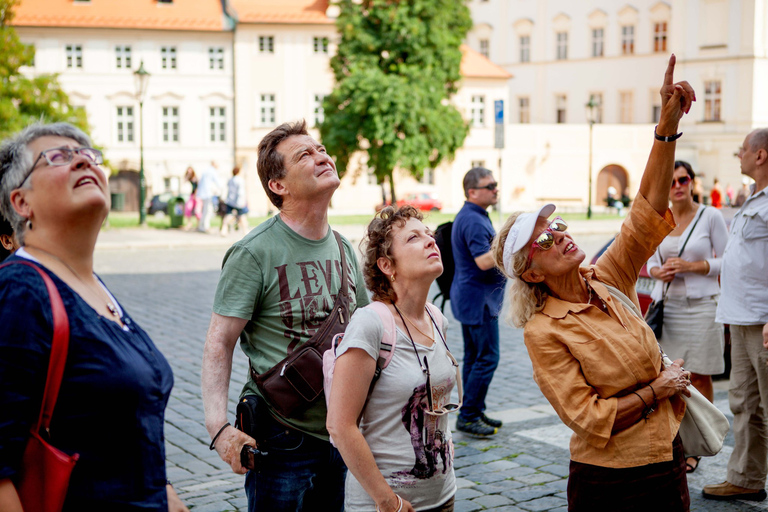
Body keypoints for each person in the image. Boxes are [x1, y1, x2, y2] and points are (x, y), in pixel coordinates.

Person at [490, 56, 695, 511]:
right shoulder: (544, 331)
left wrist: (666, 128)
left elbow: (645, 210)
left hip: (667, 457)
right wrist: (657, 390)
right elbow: (588, 418)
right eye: (543, 238)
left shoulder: (606, 280)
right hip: (611, 480)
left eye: (556, 224)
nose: (559, 234)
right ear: (532, 272)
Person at [0, 122, 186, 510]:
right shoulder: (21, 290)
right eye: (58, 156)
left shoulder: (91, 285)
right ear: (22, 203)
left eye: (87, 155)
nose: (82, 161)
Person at [201, 120, 370, 511]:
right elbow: (219, 341)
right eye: (305, 155)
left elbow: (365, 332)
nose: (322, 157)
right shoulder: (254, 252)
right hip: (280, 436)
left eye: (322, 150)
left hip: (340, 431)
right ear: (279, 186)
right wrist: (219, 428)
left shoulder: (344, 249)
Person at [327, 205, 457, 512]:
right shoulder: (371, 324)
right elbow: (339, 425)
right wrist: (387, 501)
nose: (431, 241)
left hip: (443, 497)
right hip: (387, 505)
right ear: (387, 265)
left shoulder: (437, 319)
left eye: (429, 234)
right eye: (414, 238)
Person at [646, 159, 728, 473]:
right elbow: (650, 263)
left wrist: (692, 267)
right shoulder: (659, 219)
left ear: (692, 182)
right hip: (669, 307)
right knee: (669, 377)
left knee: (701, 375)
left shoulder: (710, 216)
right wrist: (659, 271)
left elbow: (727, 260)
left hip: (704, 305)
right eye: (671, 181)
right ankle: (676, 440)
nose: (677, 186)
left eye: (683, 180)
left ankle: (700, 443)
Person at [702, 128, 768, 501]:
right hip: (742, 319)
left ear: (760, 156)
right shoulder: (754, 198)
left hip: (763, 319)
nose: (738, 156)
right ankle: (746, 477)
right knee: (744, 404)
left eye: (743, 150)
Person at [450, 167, 505, 436]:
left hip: (471, 298)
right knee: (487, 358)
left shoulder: (474, 215)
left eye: (495, 184)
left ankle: (473, 410)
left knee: (474, 357)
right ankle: (469, 415)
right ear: (472, 192)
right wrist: (512, 247)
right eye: (489, 185)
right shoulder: (472, 219)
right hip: (478, 301)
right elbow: (484, 261)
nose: (496, 189)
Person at [220, 166, 248, 236]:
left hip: (230, 200)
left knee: (228, 216)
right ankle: (245, 231)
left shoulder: (230, 180)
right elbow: (240, 192)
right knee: (242, 216)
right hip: (238, 202)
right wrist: (241, 202)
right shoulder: (240, 180)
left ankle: (224, 230)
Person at [196, 161, 222, 232]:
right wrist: (221, 189)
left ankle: (201, 226)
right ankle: (205, 226)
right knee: (208, 210)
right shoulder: (212, 171)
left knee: (205, 210)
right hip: (207, 194)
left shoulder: (205, 171)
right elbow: (217, 182)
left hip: (203, 193)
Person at [183, 166, 201, 231]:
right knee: (188, 208)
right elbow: (184, 182)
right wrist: (188, 176)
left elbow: (198, 187)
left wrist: (196, 195)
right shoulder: (188, 178)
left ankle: (198, 225)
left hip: (196, 195)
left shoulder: (196, 178)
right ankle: (189, 223)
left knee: (197, 210)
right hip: (191, 195)